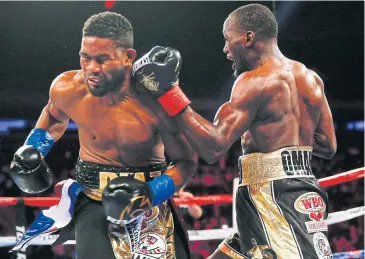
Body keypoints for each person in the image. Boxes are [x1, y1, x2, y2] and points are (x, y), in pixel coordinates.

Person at [133, 3, 337, 259]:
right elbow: (328, 145)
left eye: (228, 39)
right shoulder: (310, 78)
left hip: (272, 202)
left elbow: (214, 146)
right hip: (301, 190)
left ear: (248, 38)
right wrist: (278, 140)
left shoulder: (254, 81)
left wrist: (169, 92)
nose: (225, 49)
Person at [9, 11, 198, 259]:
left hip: (147, 200)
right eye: (85, 58)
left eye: (102, 59)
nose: (91, 68)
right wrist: (34, 148)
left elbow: (187, 162)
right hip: (91, 199)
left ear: (128, 57)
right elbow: (54, 117)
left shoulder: (154, 99)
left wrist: (152, 192)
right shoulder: (67, 88)